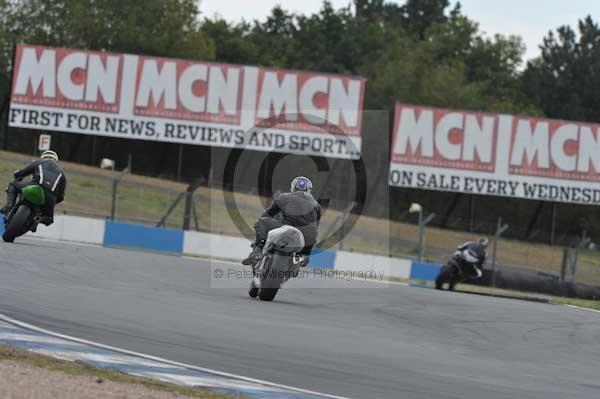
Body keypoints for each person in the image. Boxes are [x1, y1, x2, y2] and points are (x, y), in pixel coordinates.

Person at [242, 176, 321, 266]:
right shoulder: (316, 205)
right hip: (307, 234)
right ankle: (303, 257)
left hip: (286, 226)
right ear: (309, 190)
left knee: (262, 221)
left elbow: (269, 213)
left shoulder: (285, 197)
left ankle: (257, 252)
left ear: (293, 187)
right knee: (312, 235)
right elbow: (315, 226)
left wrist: (260, 223)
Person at [1, 150, 67, 227]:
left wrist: (17, 174)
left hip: (35, 188)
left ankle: (9, 206)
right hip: (50, 198)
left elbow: (22, 172)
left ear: (43, 158)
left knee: (13, 184)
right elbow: (61, 197)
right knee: (48, 219)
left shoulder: (39, 162)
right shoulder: (62, 174)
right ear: (56, 160)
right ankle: (38, 219)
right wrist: (51, 203)